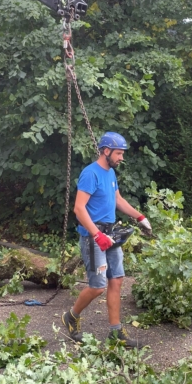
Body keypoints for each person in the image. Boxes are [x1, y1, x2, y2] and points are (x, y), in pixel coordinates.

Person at [61, 131, 152, 347]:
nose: (122, 158)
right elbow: (79, 208)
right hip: (94, 238)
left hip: (110, 236)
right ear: (106, 151)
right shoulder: (90, 174)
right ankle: (71, 316)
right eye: (119, 153)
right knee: (97, 286)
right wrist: (96, 234)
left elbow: (117, 199)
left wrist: (139, 216)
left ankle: (115, 332)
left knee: (117, 280)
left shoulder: (110, 173)